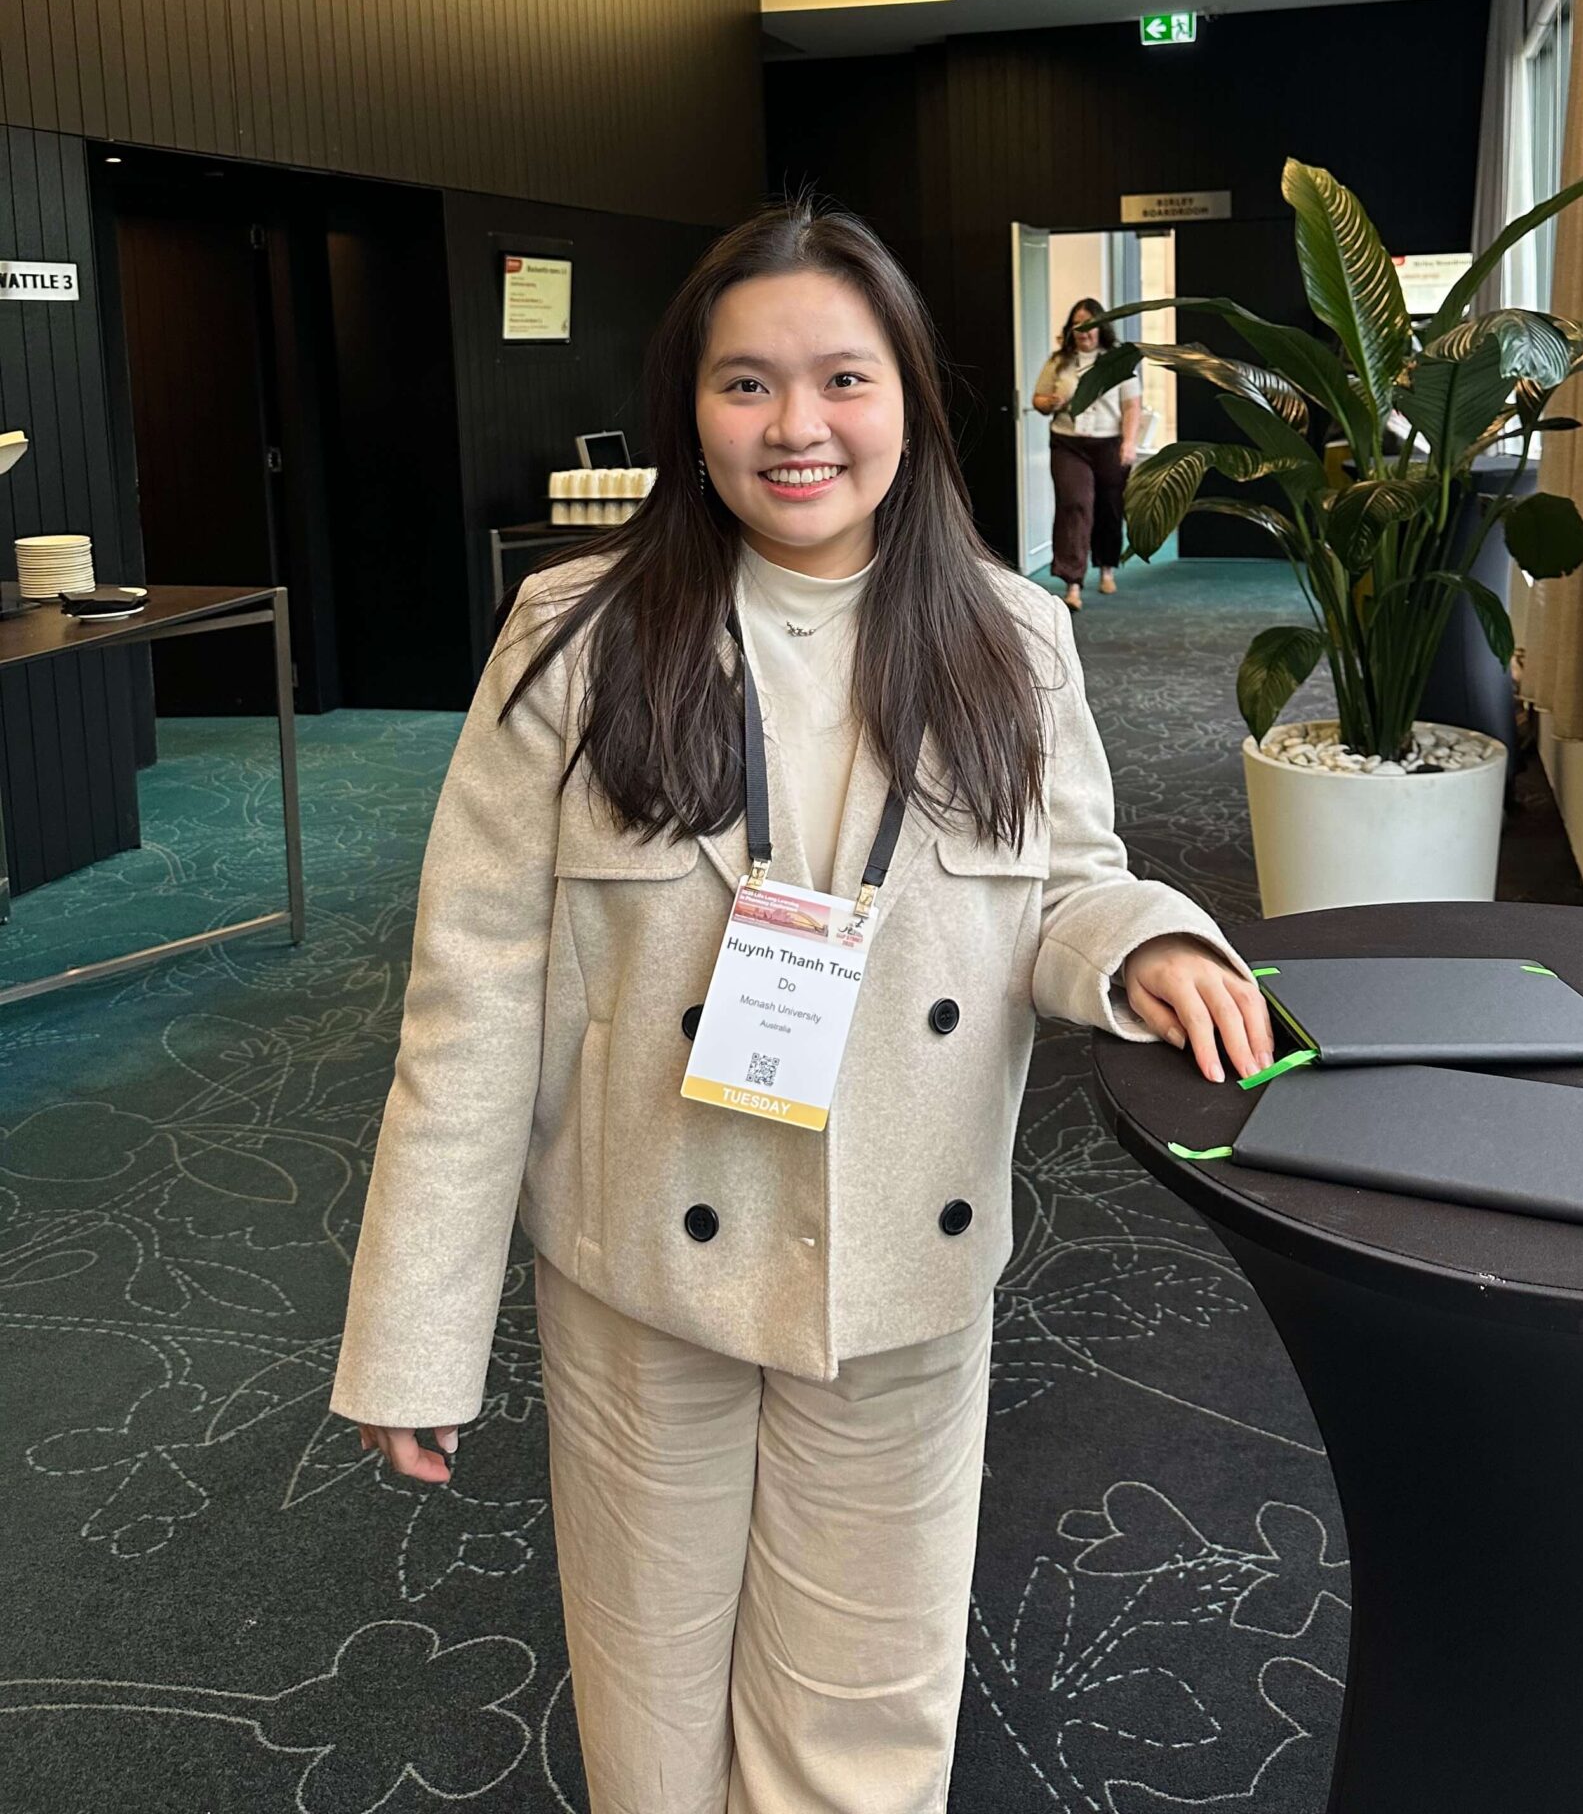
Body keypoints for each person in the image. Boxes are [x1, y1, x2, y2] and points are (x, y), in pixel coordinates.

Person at [331, 201, 1269, 1814]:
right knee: (652, 1717)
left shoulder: (1012, 638)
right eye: (746, 384)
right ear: (688, 411)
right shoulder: (574, 642)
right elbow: (471, 996)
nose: (797, 427)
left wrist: (1145, 947)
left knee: (866, 1719)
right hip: (646, 1266)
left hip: (903, 1263)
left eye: (842, 378)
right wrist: (418, 1336)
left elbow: (1067, 881)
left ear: (908, 397)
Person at [1032, 297, 1141, 608]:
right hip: (1068, 443)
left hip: (1109, 443)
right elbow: (1038, 399)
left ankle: (1107, 567)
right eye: (1077, 324)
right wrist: (1050, 402)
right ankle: (1072, 582)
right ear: (1071, 329)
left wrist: (1129, 442)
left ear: (1101, 328)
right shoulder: (1059, 361)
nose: (1084, 331)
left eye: (1090, 324)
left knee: (1109, 507)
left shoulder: (1117, 361)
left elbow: (1132, 406)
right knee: (1074, 504)